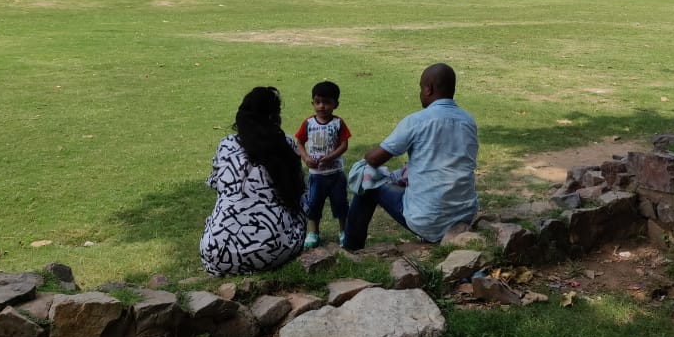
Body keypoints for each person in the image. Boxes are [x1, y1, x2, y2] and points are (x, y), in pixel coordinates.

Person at [343, 63, 478, 251]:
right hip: (464, 215)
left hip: (428, 221)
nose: (420, 93)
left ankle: (350, 246)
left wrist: (366, 155)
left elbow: (374, 159)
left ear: (428, 89)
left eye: (421, 88)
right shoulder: (468, 120)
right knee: (403, 173)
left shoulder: (417, 121)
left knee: (366, 177)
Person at [200, 87, 306, 275]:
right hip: (272, 249)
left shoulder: (226, 146)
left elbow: (218, 186)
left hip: (216, 252)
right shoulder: (286, 144)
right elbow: (297, 190)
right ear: (275, 116)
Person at [294, 81, 351, 249]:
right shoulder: (308, 123)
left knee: (340, 203)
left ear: (335, 104)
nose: (322, 106)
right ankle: (313, 233)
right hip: (316, 175)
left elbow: (344, 144)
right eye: (318, 102)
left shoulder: (338, 123)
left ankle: (344, 231)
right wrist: (305, 157)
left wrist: (332, 156)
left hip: (336, 174)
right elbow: (299, 142)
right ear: (313, 103)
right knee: (314, 204)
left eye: (326, 102)